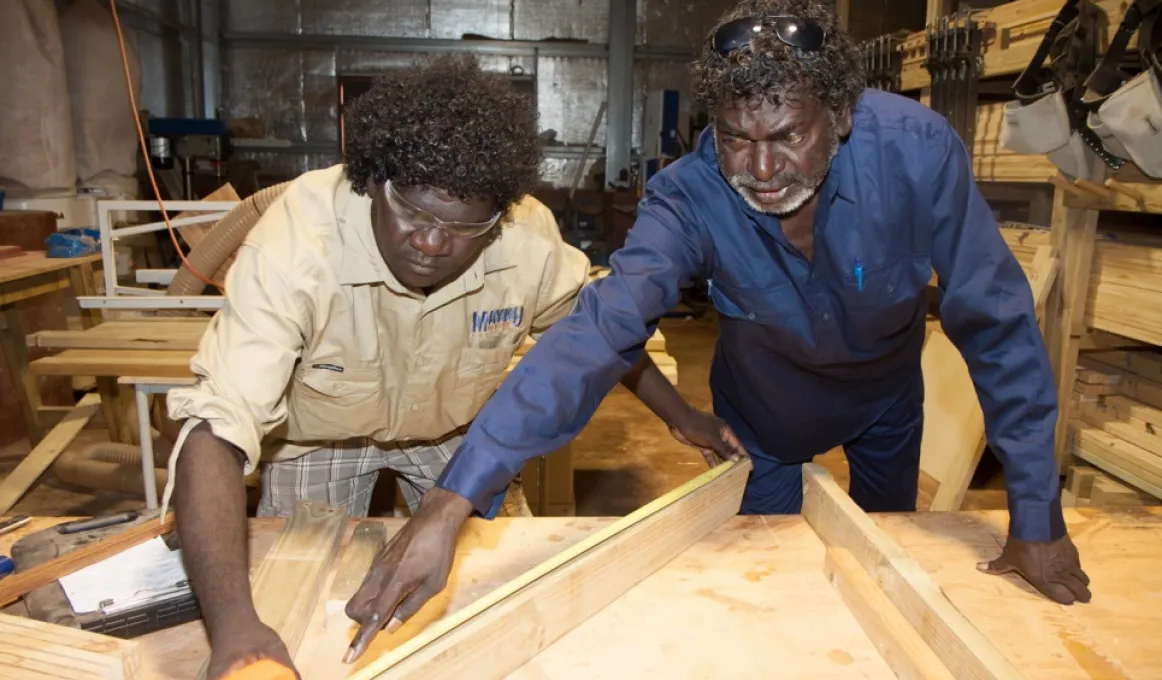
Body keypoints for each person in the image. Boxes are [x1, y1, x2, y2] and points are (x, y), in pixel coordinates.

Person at [342, 0, 1093, 656]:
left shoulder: (917, 154)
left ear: (839, 118)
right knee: (761, 594)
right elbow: (596, 336)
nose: (761, 168)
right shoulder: (688, 198)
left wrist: (1035, 509)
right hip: (760, 420)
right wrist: (451, 502)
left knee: (880, 570)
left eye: (788, 136)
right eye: (736, 138)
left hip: (884, 408)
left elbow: (996, 323)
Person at [162, 56, 733, 679]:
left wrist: (680, 417)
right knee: (292, 601)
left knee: (504, 604)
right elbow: (215, 429)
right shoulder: (297, 239)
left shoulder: (525, 238)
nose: (433, 244)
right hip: (315, 440)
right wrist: (234, 627)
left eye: (464, 228)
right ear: (375, 182)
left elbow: (595, 336)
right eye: (415, 215)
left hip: (455, 438)